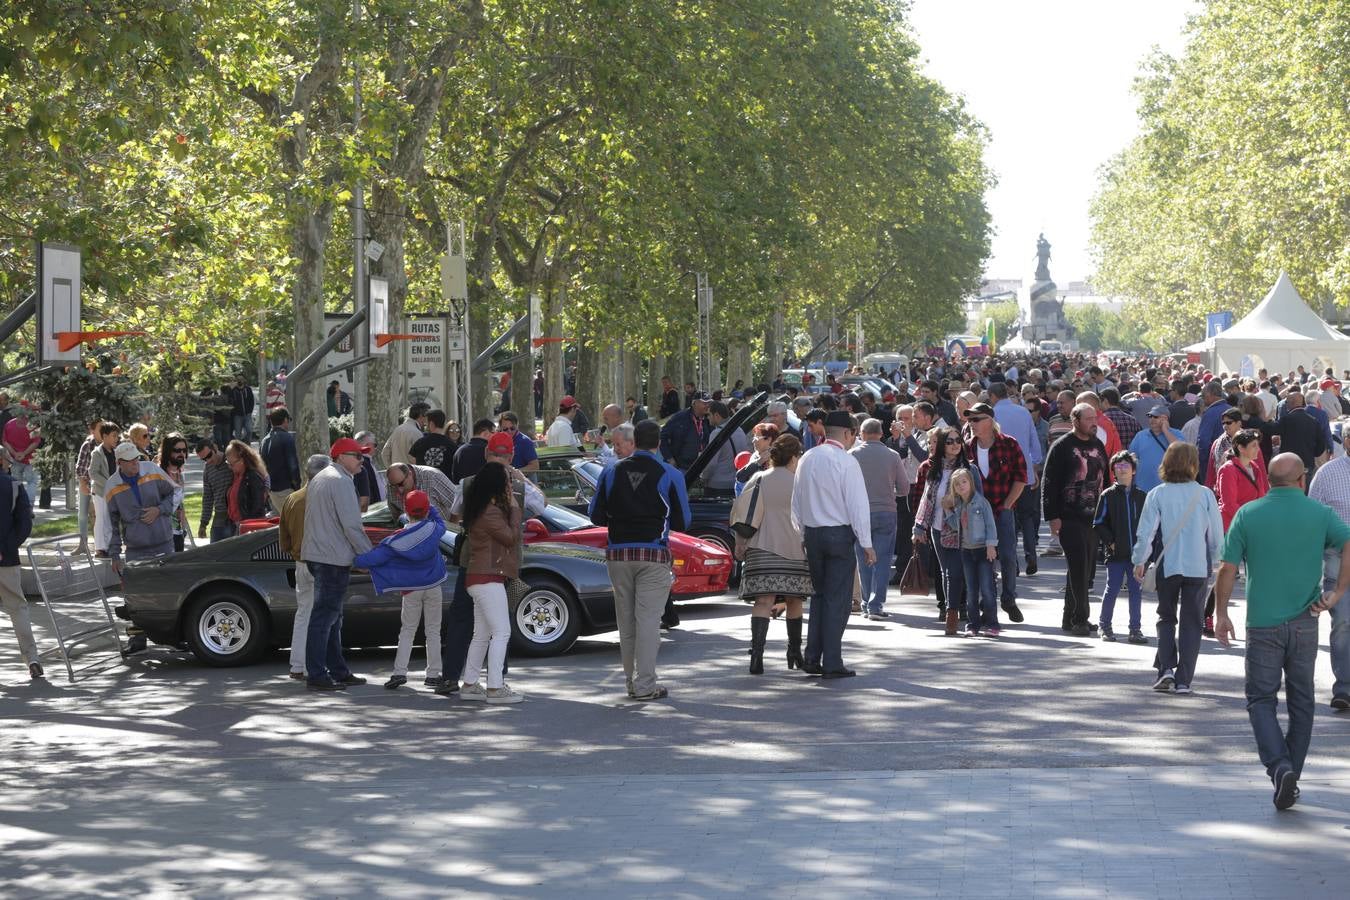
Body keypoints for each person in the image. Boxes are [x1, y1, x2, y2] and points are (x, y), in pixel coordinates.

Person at [1215, 453, 1350, 809]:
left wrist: (1221, 613)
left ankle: (1279, 767)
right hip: (1306, 620)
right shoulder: (1319, 514)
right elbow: (1348, 540)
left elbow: (1227, 568)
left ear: (1269, 480)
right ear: (1302, 479)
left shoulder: (1249, 513)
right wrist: (1337, 593)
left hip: (1262, 623)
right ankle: (1291, 771)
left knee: (1260, 700)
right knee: (1302, 700)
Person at [588, 419, 691, 701]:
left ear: (634, 442)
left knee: (626, 621)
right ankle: (645, 684)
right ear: (658, 443)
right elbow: (683, 520)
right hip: (653, 552)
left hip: (618, 553)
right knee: (647, 621)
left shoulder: (610, 471)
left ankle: (630, 682)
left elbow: (595, 515)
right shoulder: (669, 473)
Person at [1131, 442, 1223, 695]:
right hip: (1197, 565)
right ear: (1194, 464)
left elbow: (1146, 532)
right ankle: (1184, 680)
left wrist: (1140, 560)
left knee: (1166, 616)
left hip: (1168, 563)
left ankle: (1166, 669)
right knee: (1192, 622)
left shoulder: (1158, 494)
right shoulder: (1204, 494)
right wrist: (1218, 562)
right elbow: (1216, 533)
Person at [792, 410, 874, 677]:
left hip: (813, 534)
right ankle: (832, 662)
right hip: (838, 534)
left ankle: (813, 657)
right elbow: (857, 505)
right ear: (849, 434)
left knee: (819, 596)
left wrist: (803, 534)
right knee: (837, 600)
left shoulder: (807, 457)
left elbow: (796, 502)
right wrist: (867, 542)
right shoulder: (846, 461)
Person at [300, 438, 374, 691]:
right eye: (357, 455)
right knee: (325, 618)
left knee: (331, 617)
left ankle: (336, 670)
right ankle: (318, 674)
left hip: (320, 555)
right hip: (331, 558)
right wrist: (368, 556)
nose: (362, 461)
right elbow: (351, 525)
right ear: (342, 456)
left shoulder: (324, 477)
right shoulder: (340, 481)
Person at [355, 489, 448, 690]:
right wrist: (427, 506)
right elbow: (438, 517)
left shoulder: (397, 540)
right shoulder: (435, 529)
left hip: (411, 590)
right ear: (426, 510)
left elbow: (373, 559)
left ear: (406, 510)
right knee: (433, 631)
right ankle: (433, 674)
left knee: (407, 631)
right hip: (434, 586)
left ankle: (399, 672)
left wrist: (353, 559)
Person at [737, 434, 811, 673]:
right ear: (793, 456)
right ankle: (794, 651)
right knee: (794, 600)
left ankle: (756, 655)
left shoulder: (757, 479)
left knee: (763, 601)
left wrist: (740, 544)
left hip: (762, 547)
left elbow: (742, 514)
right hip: (794, 550)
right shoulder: (801, 482)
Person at [457, 463, 524, 703]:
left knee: (482, 634)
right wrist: (515, 510)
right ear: (497, 484)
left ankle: (470, 684)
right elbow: (510, 538)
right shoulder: (491, 512)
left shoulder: (481, 508)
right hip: (488, 577)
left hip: (480, 576)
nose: (510, 485)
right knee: (502, 632)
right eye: (507, 481)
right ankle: (495, 688)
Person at [1043, 402, 1111, 636]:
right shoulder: (1062, 446)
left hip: (1093, 517)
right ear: (1076, 421)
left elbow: (1107, 479)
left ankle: (1069, 617)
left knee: (1084, 569)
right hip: (1069, 516)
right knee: (1079, 566)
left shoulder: (1098, 445)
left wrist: (1108, 512)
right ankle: (1080, 619)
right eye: (1089, 418)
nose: (1094, 422)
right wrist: (1052, 517)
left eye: (1095, 418)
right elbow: (1049, 482)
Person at [912, 423, 982, 630]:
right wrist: (919, 527)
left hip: (962, 529)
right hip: (937, 527)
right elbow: (927, 499)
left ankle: (953, 613)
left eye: (958, 440)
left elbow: (979, 502)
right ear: (941, 444)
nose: (955, 445)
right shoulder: (934, 470)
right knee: (946, 572)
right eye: (949, 441)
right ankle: (953, 609)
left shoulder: (970, 470)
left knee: (955, 571)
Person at [963, 402, 1028, 624]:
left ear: (990, 420)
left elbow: (1021, 477)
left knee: (1008, 557)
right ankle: (987, 603)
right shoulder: (967, 447)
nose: (972, 424)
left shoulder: (1009, 444)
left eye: (976, 419)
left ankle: (1009, 598)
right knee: (983, 559)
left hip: (1002, 510)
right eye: (970, 420)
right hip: (976, 515)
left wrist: (1008, 504)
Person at [1307, 428, 1350, 710]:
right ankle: (1345, 688)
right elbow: (1312, 517)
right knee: (1344, 621)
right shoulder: (1327, 473)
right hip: (1336, 553)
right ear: (1347, 441)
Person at [278, 454, 332, 680]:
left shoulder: (293, 499)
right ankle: (315, 666)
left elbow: (284, 538)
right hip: (324, 561)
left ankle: (298, 665)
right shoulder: (327, 498)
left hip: (301, 561)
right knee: (324, 617)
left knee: (304, 613)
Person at [850, 418, 907, 620]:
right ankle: (876, 604)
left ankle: (866, 602)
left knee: (863, 558)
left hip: (859, 513)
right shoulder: (892, 456)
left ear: (861, 434)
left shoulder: (852, 455)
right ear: (881, 434)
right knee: (882, 559)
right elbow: (904, 488)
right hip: (886, 511)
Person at [1093, 451, 1148, 644]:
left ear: (1133, 471)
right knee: (1112, 588)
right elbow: (1099, 522)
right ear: (1113, 471)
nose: (1121, 469)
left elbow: (1149, 524)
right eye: (1117, 466)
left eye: (1126, 465)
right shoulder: (1107, 495)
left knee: (1135, 590)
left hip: (1137, 554)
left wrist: (1146, 550)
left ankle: (1135, 629)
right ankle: (1105, 626)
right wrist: (1111, 542)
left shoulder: (1142, 496)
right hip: (1116, 554)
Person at [104, 442, 177, 576]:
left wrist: (159, 510)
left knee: (168, 590)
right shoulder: (111, 486)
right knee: (140, 595)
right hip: (135, 551)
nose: (135, 462)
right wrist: (114, 555)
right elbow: (110, 523)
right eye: (130, 460)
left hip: (164, 544)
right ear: (119, 462)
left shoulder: (151, 469)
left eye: (136, 458)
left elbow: (174, 492)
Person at [943, 468, 999, 636]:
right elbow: (954, 525)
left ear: (971, 483)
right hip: (966, 551)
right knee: (971, 590)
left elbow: (990, 525)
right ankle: (972, 624)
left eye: (964, 482)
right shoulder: (959, 505)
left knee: (987, 589)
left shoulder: (981, 503)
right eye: (957, 484)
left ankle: (992, 623)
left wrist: (991, 545)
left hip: (983, 550)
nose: (961, 486)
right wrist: (947, 509)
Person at [1, 452, 41, 679]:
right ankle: (32, 658)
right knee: (17, 608)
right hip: (6, 558)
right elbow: (24, 524)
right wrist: (7, 547)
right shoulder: (14, 486)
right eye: (7, 460)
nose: (9, 464)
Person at [1127, 404, 1183, 493]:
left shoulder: (1177, 434)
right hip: (1142, 489)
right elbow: (1130, 458)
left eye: (1155, 416)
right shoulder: (1140, 435)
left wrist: (1165, 430)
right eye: (1150, 416)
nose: (1152, 419)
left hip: (1168, 489)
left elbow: (1180, 452)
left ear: (1165, 419)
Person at [384, 461, 463, 524]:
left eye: (401, 484)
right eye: (394, 486)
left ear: (410, 474)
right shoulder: (391, 485)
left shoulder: (432, 476)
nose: (399, 490)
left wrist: (451, 530)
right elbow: (397, 518)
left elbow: (458, 505)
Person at [701, 401, 748, 497]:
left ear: (717, 415)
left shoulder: (716, 433)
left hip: (717, 486)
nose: (707, 418)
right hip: (735, 483)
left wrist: (704, 478)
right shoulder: (739, 430)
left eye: (709, 415)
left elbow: (711, 463)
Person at [89, 422, 122, 556]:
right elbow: (93, 473)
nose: (116, 439)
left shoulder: (115, 452)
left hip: (113, 491)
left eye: (117, 436)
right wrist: (108, 483)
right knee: (102, 518)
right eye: (114, 436)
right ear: (105, 436)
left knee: (111, 518)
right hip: (101, 492)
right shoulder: (97, 453)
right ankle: (100, 548)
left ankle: (109, 546)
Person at [260, 408, 301, 514]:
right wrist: (297, 486)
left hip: (272, 490)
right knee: (294, 523)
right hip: (286, 489)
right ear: (285, 420)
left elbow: (261, 467)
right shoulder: (287, 438)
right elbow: (293, 466)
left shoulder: (264, 441)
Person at [223, 439, 270, 531]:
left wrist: (247, 526)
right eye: (228, 463)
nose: (229, 467)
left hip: (249, 527)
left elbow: (257, 506)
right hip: (237, 525)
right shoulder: (235, 476)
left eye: (232, 464)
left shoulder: (253, 477)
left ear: (242, 460)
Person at [156, 432, 191, 552]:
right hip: (161, 533)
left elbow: (180, 503)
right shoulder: (157, 474)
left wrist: (183, 526)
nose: (182, 454)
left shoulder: (181, 474)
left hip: (178, 532)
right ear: (168, 451)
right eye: (177, 450)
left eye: (184, 450)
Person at [196, 438, 235, 542]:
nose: (208, 461)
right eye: (204, 459)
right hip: (219, 517)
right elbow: (208, 498)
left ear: (215, 448)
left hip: (235, 517)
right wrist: (203, 523)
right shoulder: (208, 469)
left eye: (209, 456)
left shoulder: (231, 461)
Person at [659, 392, 710, 469]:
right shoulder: (679, 418)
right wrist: (669, 458)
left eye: (709, 403)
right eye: (704, 403)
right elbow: (662, 436)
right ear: (694, 403)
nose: (707, 405)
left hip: (701, 466)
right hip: (682, 466)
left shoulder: (709, 418)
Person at [2, 404, 40, 501]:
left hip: (15, 460)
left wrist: (14, 453)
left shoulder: (9, 424)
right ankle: (29, 507)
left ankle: (17, 506)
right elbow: (36, 442)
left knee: (16, 483)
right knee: (32, 482)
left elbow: (5, 441)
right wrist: (24, 453)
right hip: (31, 459)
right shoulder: (32, 425)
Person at [74, 417, 100, 552]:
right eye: (99, 428)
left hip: (99, 486)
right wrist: (83, 483)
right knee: (83, 514)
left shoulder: (108, 444)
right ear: (92, 430)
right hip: (86, 483)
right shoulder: (88, 444)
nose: (102, 431)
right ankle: (82, 544)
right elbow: (80, 466)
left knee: (98, 515)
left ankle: (99, 545)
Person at [410, 409, 457, 479]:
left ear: (431, 424)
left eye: (426, 423)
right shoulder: (452, 445)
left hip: (424, 485)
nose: (425, 425)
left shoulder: (420, 443)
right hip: (444, 485)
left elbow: (412, 461)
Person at [1202, 407, 1244, 487]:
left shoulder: (1250, 442)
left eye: (1228, 423)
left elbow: (1259, 469)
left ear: (1239, 423)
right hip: (1222, 488)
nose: (1225, 426)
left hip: (1245, 490)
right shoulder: (1217, 443)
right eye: (1223, 423)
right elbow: (1211, 472)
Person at [381, 402, 430, 468]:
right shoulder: (417, 433)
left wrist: (392, 469)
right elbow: (421, 459)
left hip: (396, 474)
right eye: (428, 416)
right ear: (421, 415)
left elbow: (385, 453)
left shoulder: (398, 429)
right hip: (411, 475)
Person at [451, 418, 495, 484]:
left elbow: (455, 480)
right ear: (485, 433)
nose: (495, 436)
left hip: (462, 492)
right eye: (493, 433)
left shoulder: (459, 451)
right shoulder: (489, 451)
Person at [352, 431, 384, 510]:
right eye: (375, 445)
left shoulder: (366, 461)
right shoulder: (362, 463)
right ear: (367, 445)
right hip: (372, 509)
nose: (375, 448)